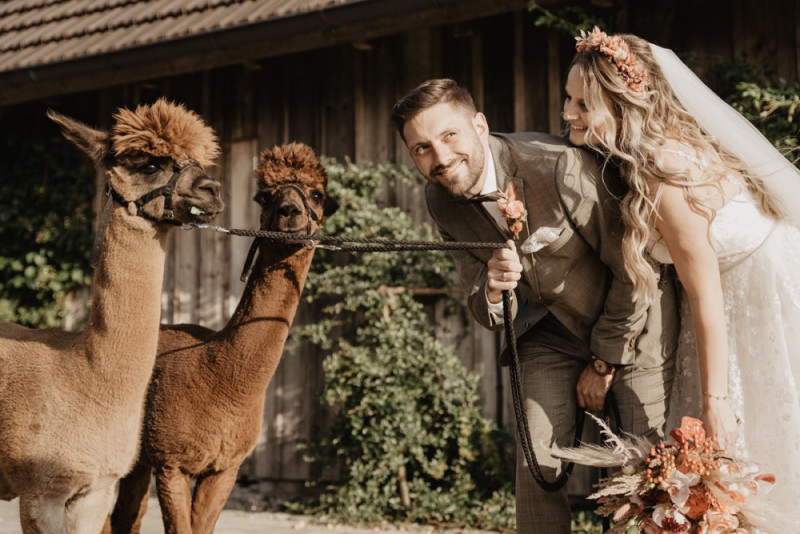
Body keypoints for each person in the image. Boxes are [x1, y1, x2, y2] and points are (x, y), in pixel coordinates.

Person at [391, 79, 679, 533]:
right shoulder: (439, 199)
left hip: (632, 321)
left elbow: (633, 266)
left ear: (479, 125)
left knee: (640, 469)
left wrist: (603, 363)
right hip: (547, 336)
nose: (440, 159)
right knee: (536, 465)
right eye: (422, 148)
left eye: (449, 136)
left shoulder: (554, 166)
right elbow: (480, 305)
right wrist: (491, 289)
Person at [565, 27, 800, 525]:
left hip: (758, 294)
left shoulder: (662, 170)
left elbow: (707, 293)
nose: (567, 114)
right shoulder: (646, 155)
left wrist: (717, 402)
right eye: (568, 100)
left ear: (621, 104)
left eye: (582, 105)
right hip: (737, 293)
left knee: (751, 424)